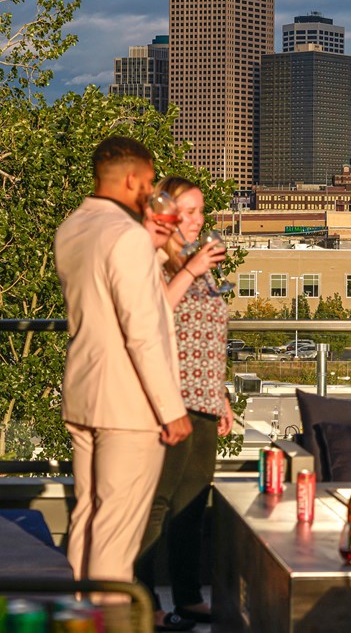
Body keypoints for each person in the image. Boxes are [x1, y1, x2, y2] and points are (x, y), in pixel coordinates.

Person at [54, 136, 192, 587]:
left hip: (83, 395)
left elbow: (105, 296)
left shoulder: (73, 227)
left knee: (90, 517)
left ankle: (79, 615)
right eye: (150, 182)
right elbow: (143, 333)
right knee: (116, 537)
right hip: (129, 408)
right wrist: (171, 409)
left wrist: (152, 244)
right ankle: (107, 620)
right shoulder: (127, 237)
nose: (151, 192)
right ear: (132, 178)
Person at [136, 177, 232, 632]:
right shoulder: (155, 260)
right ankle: (143, 599)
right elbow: (153, 317)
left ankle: (189, 597)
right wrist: (191, 270)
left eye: (199, 212)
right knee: (157, 504)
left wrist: (224, 394)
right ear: (167, 214)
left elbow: (208, 335)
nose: (196, 220)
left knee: (193, 504)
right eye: (189, 212)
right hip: (169, 399)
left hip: (205, 399)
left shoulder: (199, 262)